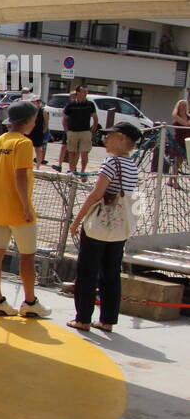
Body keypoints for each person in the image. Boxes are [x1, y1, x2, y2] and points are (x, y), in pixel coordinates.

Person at [67, 123, 141, 333]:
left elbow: (97, 194)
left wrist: (77, 220)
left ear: (121, 138)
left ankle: (83, 318)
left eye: (109, 136)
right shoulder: (132, 165)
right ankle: (107, 320)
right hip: (120, 226)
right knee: (111, 272)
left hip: (99, 224)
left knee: (87, 271)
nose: (105, 139)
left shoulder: (111, 163)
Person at [0, 101, 52, 319]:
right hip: (17, 208)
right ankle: (30, 302)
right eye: (35, 120)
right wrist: (26, 206)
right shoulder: (23, 144)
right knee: (27, 256)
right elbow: (21, 175)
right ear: (28, 122)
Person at [61, 84, 99, 175]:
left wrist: (91, 131)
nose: (86, 93)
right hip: (72, 132)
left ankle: (82, 172)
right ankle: (72, 171)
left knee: (84, 153)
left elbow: (95, 119)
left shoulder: (90, 104)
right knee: (72, 153)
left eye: (87, 91)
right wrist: (67, 131)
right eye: (84, 91)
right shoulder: (71, 105)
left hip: (85, 132)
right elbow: (64, 119)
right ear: (78, 92)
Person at [25, 92, 48, 166]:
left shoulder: (43, 112)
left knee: (38, 149)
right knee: (27, 149)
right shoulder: (29, 111)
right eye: (35, 101)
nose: (37, 102)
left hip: (38, 132)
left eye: (38, 101)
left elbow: (46, 123)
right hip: (29, 132)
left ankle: (38, 165)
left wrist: (43, 131)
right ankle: (27, 164)